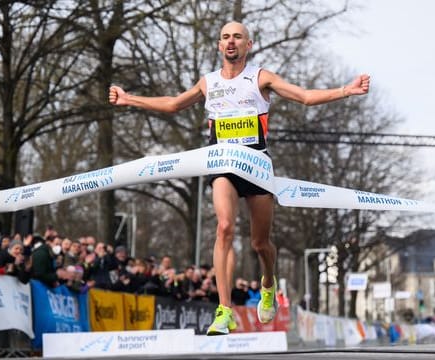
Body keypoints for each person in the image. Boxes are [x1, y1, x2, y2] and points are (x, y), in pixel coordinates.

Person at [109, 21, 369, 335]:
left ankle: (268, 283)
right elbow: (175, 104)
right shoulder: (208, 82)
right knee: (224, 227)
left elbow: (304, 96)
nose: (231, 42)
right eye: (225, 37)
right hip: (222, 164)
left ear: (248, 44)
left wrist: (346, 91)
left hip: (256, 165)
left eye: (237, 37)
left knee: (261, 244)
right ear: (219, 45)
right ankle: (224, 310)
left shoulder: (261, 78)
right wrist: (129, 99)